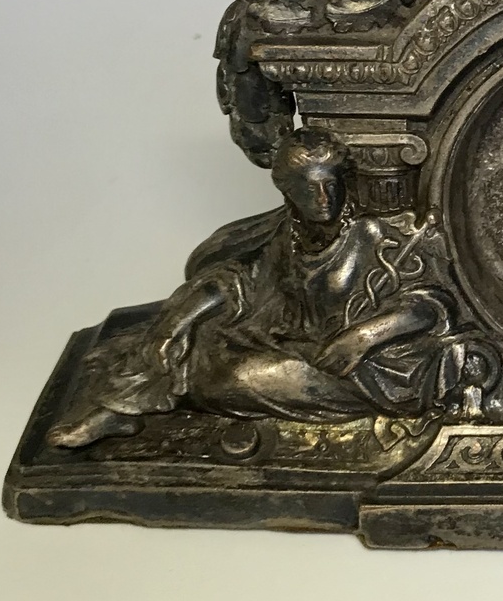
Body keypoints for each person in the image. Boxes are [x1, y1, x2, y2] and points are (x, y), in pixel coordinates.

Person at [48, 128, 474, 448]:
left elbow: (432, 302)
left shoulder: (374, 234)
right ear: (287, 190)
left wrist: (363, 336)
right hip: (293, 342)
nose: (323, 198)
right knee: (195, 337)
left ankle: (139, 399)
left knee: (230, 375)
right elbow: (237, 281)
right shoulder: (286, 234)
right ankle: (117, 409)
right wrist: (174, 324)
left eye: (331, 185)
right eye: (310, 188)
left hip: (368, 368)